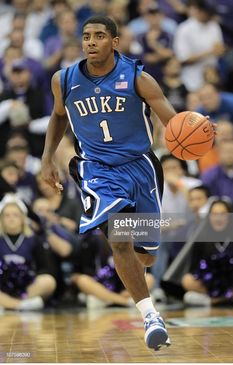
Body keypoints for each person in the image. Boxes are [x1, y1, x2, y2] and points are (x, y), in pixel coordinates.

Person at [41, 15, 177, 350]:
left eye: (99, 36)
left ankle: (135, 275)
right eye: (86, 36)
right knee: (119, 241)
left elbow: (174, 123)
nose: (91, 42)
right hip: (97, 169)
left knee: (144, 255)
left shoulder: (138, 78)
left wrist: (197, 129)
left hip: (141, 168)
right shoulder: (65, 79)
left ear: (115, 42)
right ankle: (150, 316)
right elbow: (59, 116)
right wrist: (47, 158)